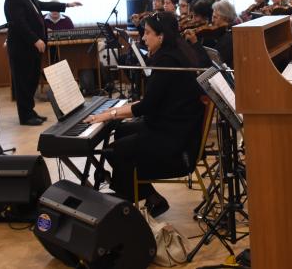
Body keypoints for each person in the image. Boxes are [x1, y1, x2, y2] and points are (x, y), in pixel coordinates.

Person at [84, 12, 205, 217]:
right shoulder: (173, 53)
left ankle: (124, 206)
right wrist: (113, 112)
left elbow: (146, 106)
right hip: (172, 124)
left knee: (116, 151)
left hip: (175, 137)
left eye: (148, 33)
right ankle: (150, 197)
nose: (143, 37)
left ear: (161, 36)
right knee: (121, 131)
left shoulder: (167, 61)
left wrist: (109, 114)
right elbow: (153, 101)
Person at [3, 0, 81, 126]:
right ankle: (25, 117)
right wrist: (35, 40)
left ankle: (30, 112)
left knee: (31, 80)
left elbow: (43, 4)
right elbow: (20, 23)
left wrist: (67, 5)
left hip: (30, 49)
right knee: (23, 82)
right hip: (22, 48)